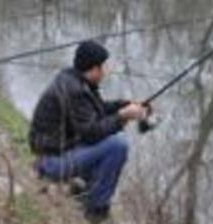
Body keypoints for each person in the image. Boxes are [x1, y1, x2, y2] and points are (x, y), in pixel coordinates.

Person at [28, 40, 149, 222]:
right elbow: (91, 133)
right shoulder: (75, 90)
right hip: (52, 161)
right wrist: (123, 116)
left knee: (111, 139)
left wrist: (125, 105)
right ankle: (95, 208)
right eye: (104, 66)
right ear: (94, 69)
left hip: (55, 151)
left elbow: (98, 109)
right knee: (118, 145)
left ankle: (87, 190)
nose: (106, 71)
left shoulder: (75, 80)